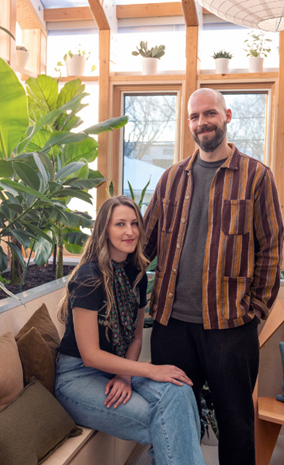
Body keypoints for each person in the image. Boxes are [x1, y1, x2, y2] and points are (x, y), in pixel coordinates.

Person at [143, 88, 284, 465]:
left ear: (227, 116)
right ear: (188, 123)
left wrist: (256, 311)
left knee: (236, 426)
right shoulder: (171, 179)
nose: (202, 122)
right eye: (194, 117)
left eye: (209, 114)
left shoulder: (257, 177)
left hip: (230, 329)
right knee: (173, 421)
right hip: (172, 328)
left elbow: (272, 248)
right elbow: (145, 244)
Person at [55, 195, 206, 465]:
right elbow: (90, 356)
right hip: (77, 377)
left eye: (135, 223)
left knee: (179, 390)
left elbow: (136, 337)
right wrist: (151, 369)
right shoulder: (88, 278)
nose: (130, 231)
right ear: (104, 230)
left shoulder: (135, 273)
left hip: (116, 370)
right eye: (120, 224)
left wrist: (124, 376)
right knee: (165, 421)